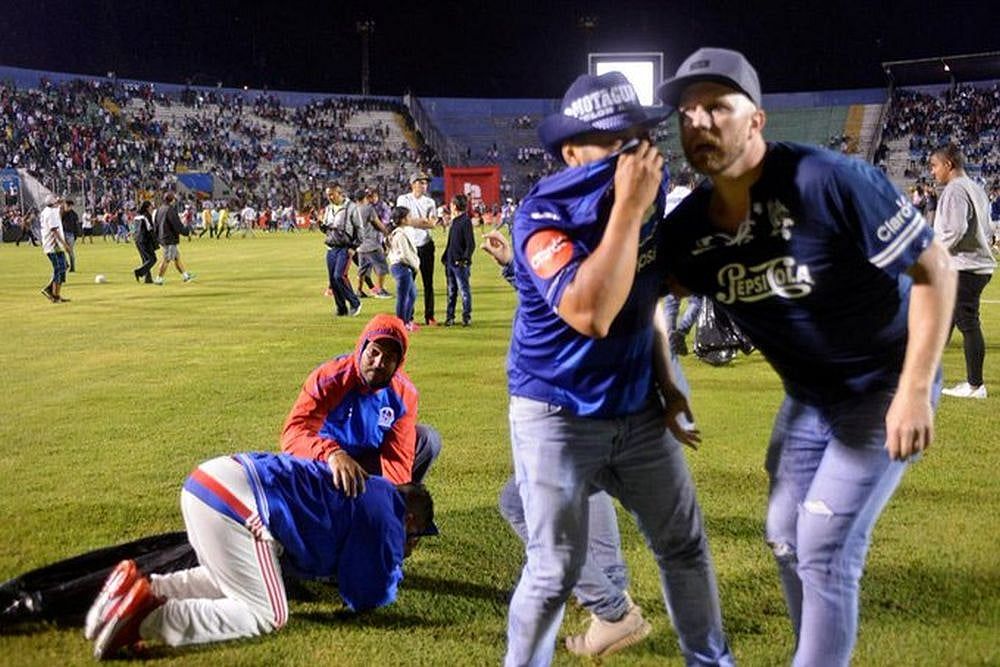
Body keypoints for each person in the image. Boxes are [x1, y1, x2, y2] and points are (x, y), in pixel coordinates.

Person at [656, 47, 957, 667]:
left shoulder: (829, 180)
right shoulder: (689, 229)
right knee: (785, 538)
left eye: (717, 106)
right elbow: (644, 301)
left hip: (884, 383)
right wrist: (669, 382)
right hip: (810, 398)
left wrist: (914, 388)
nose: (699, 121)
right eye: (687, 112)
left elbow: (936, 268)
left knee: (821, 545)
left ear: (757, 119)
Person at [504, 71, 733, 666]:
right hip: (557, 412)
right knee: (553, 571)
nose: (632, 153)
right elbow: (592, 312)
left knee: (684, 546)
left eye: (638, 137)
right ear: (571, 150)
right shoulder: (540, 214)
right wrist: (629, 210)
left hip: (636, 409)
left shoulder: (647, 195)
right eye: (614, 140)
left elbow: (646, 295)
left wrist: (667, 383)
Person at [482, 229, 655, 658]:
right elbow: (550, 295)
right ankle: (612, 594)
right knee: (588, 492)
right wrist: (510, 267)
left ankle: (611, 608)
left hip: (566, 406)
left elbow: (567, 305)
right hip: (596, 407)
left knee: (520, 504)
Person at [84, 452, 435, 660]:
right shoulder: (389, 516)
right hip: (237, 504)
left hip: (210, 481)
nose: (411, 546)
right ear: (410, 520)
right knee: (269, 613)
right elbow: (368, 592)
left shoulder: (376, 492)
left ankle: (146, 589)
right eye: (415, 538)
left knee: (239, 583)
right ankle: (147, 617)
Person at [280, 313, 442, 493]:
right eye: (374, 352)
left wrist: (392, 503)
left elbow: (397, 457)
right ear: (362, 348)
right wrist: (332, 454)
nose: (379, 362)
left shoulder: (404, 394)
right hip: (324, 462)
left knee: (427, 439)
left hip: (367, 461)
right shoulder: (329, 379)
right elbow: (293, 435)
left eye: (389, 358)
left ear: (398, 364)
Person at [928, 143, 996, 398]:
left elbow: (954, 230)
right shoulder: (976, 187)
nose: (933, 172)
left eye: (934, 166)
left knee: (967, 321)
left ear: (948, 164)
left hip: (965, 266)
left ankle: (975, 385)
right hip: (975, 265)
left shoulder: (955, 189)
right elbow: (986, 228)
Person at [396, 173, 439, 325]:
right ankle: (409, 317)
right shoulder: (403, 199)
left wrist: (412, 222)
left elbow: (433, 223)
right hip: (410, 246)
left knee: (428, 283)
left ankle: (430, 316)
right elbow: (400, 220)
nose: (424, 185)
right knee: (409, 284)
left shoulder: (430, 202)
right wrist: (423, 222)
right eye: (421, 182)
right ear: (413, 183)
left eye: (425, 183)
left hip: (426, 245)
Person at [320, 184, 363, 317]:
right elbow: (327, 230)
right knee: (333, 280)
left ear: (340, 193)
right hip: (331, 246)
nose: (330, 197)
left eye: (332, 194)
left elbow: (359, 229)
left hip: (345, 247)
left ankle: (355, 303)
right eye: (328, 195)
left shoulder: (351, 208)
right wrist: (322, 226)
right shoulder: (328, 209)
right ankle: (341, 308)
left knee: (339, 276)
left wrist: (354, 247)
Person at [441, 193, 474, 326]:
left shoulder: (465, 221)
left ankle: (466, 317)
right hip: (450, 262)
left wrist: (464, 260)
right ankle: (450, 317)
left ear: (454, 206)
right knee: (451, 291)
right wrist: (445, 256)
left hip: (459, 264)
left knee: (463, 291)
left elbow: (470, 244)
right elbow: (451, 242)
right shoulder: (455, 221)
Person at [386, 206, 421, 331]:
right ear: (402, 219)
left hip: (400, 266)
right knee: (404, 296)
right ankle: (401, 324)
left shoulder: (400, 232)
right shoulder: (400, 235)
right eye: (409, 216)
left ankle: (405, 322)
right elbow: (405, 255)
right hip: (402, 267)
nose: (411, 218)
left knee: (411, 295)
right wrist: (415, 266)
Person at [355, 188, 392, 299]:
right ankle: (380, 290)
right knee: (382, 267)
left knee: (362, 269)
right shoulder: (368, 209)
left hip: (360, 245)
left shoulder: (353, 210)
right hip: (372, 243)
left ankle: (359, 290)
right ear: (365, 198)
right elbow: (378, 224)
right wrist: (386, 233)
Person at [153, 192, 195, 284]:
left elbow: (156, 224)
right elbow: (176, 225)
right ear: (172, 200)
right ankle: (159, 278)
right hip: (169, 238)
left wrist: (157, 236)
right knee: (166, 259)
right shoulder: (170, 210)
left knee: (176, 258)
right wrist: (186, 232)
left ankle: (185, 276)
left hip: (163, 237)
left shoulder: (159, 209)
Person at [39, 193, 71, 303]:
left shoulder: (47, 211)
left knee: (64, 266)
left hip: (52, 245)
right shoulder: (51, 213)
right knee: (60, 269)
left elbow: (62, 208)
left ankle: (50, 290)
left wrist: (61, 202)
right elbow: (54, 231)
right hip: (53, 246)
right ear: (53, 203)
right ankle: (55, 295)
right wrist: (65, 244)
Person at [132, 200, 158, 284]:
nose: (152, 207)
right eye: (151, 206)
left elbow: (134, 229)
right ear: (147, 208)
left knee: (145, 259)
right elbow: (150, 229)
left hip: (137, 240)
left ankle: (148, 278)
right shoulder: (146, 216)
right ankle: (139, 272)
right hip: (145, 240)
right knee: (153, 259)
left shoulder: (137, 217)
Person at [60, 197, 81, 273]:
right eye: (67, 205)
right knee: (61, 250)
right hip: (62, 234)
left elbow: (76, 225)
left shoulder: (74, 214)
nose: (69, 207)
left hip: (70, 234)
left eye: (70, 206)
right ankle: (66, 264)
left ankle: (72, 267)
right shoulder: (62, 213)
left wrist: (76, 235)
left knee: (70, 251)